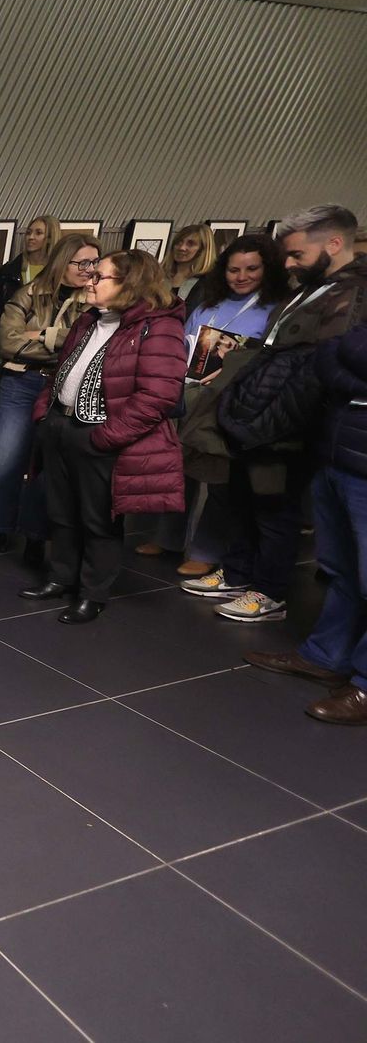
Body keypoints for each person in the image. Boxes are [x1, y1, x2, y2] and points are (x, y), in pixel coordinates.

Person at [186, 205, 367, 622]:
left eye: (297, 255)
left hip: (292, 426)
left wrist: (271, 415)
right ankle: (237, 572)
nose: (287, 264)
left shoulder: (352, 295)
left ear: (335, 244)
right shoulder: (311, 287)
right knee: (245, 501)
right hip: (260, 415)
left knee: (275, 508)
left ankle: (268, 592)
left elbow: (322, 367)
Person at [22, 251, 187, 623]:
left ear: (130, 285)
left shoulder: (159, 326)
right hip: (61, 426)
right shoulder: (88, 319)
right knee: (61, 512)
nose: (90, 281)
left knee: (98, 520)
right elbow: (62, 369)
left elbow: (158, 396)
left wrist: (106, 437)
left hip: (100, 436)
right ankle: (61, 577)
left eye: (100, 276)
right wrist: (44, 414)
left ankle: (92, 592)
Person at [244, 319, 367, 722]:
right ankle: (325, 656)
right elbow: (329, 354)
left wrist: (346, 363)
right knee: (339, 569)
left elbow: (345, 354)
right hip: (337, 456)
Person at [147, 234, 285, 578]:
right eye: (234, 270)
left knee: (218, 480)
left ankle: (206, 550)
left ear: (267, 269)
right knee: (177, 469)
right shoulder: (210, 301)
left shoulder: (275, 309)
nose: (241, 276)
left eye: (251, 269)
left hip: (230, 400)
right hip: (188, 392)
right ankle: (167, 538)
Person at [0, 232, 100, 559]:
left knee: (47, 468)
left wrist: (44, 335)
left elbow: (89, 348)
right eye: (82, 263)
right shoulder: (30, 293)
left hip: (62, 388)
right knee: (4, 461)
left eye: (94, 263)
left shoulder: (96, 301)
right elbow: (8, 344)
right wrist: (63, 344)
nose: (89, 270)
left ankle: (36, 536)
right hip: (21, 384)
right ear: (63, 261)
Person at [0, 215, 62, 470]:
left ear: (50, 237)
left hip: (40, 357)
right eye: (29, 232)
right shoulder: (9, 271)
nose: (31, 237)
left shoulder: (57, 276)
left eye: (38, 233)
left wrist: (39, 338)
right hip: (3, 352)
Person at [162, 223, 216, 302]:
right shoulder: (158, 276)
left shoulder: (207, 284)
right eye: (178, 242)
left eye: (190, 244)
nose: (182, 248)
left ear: (203, 249)